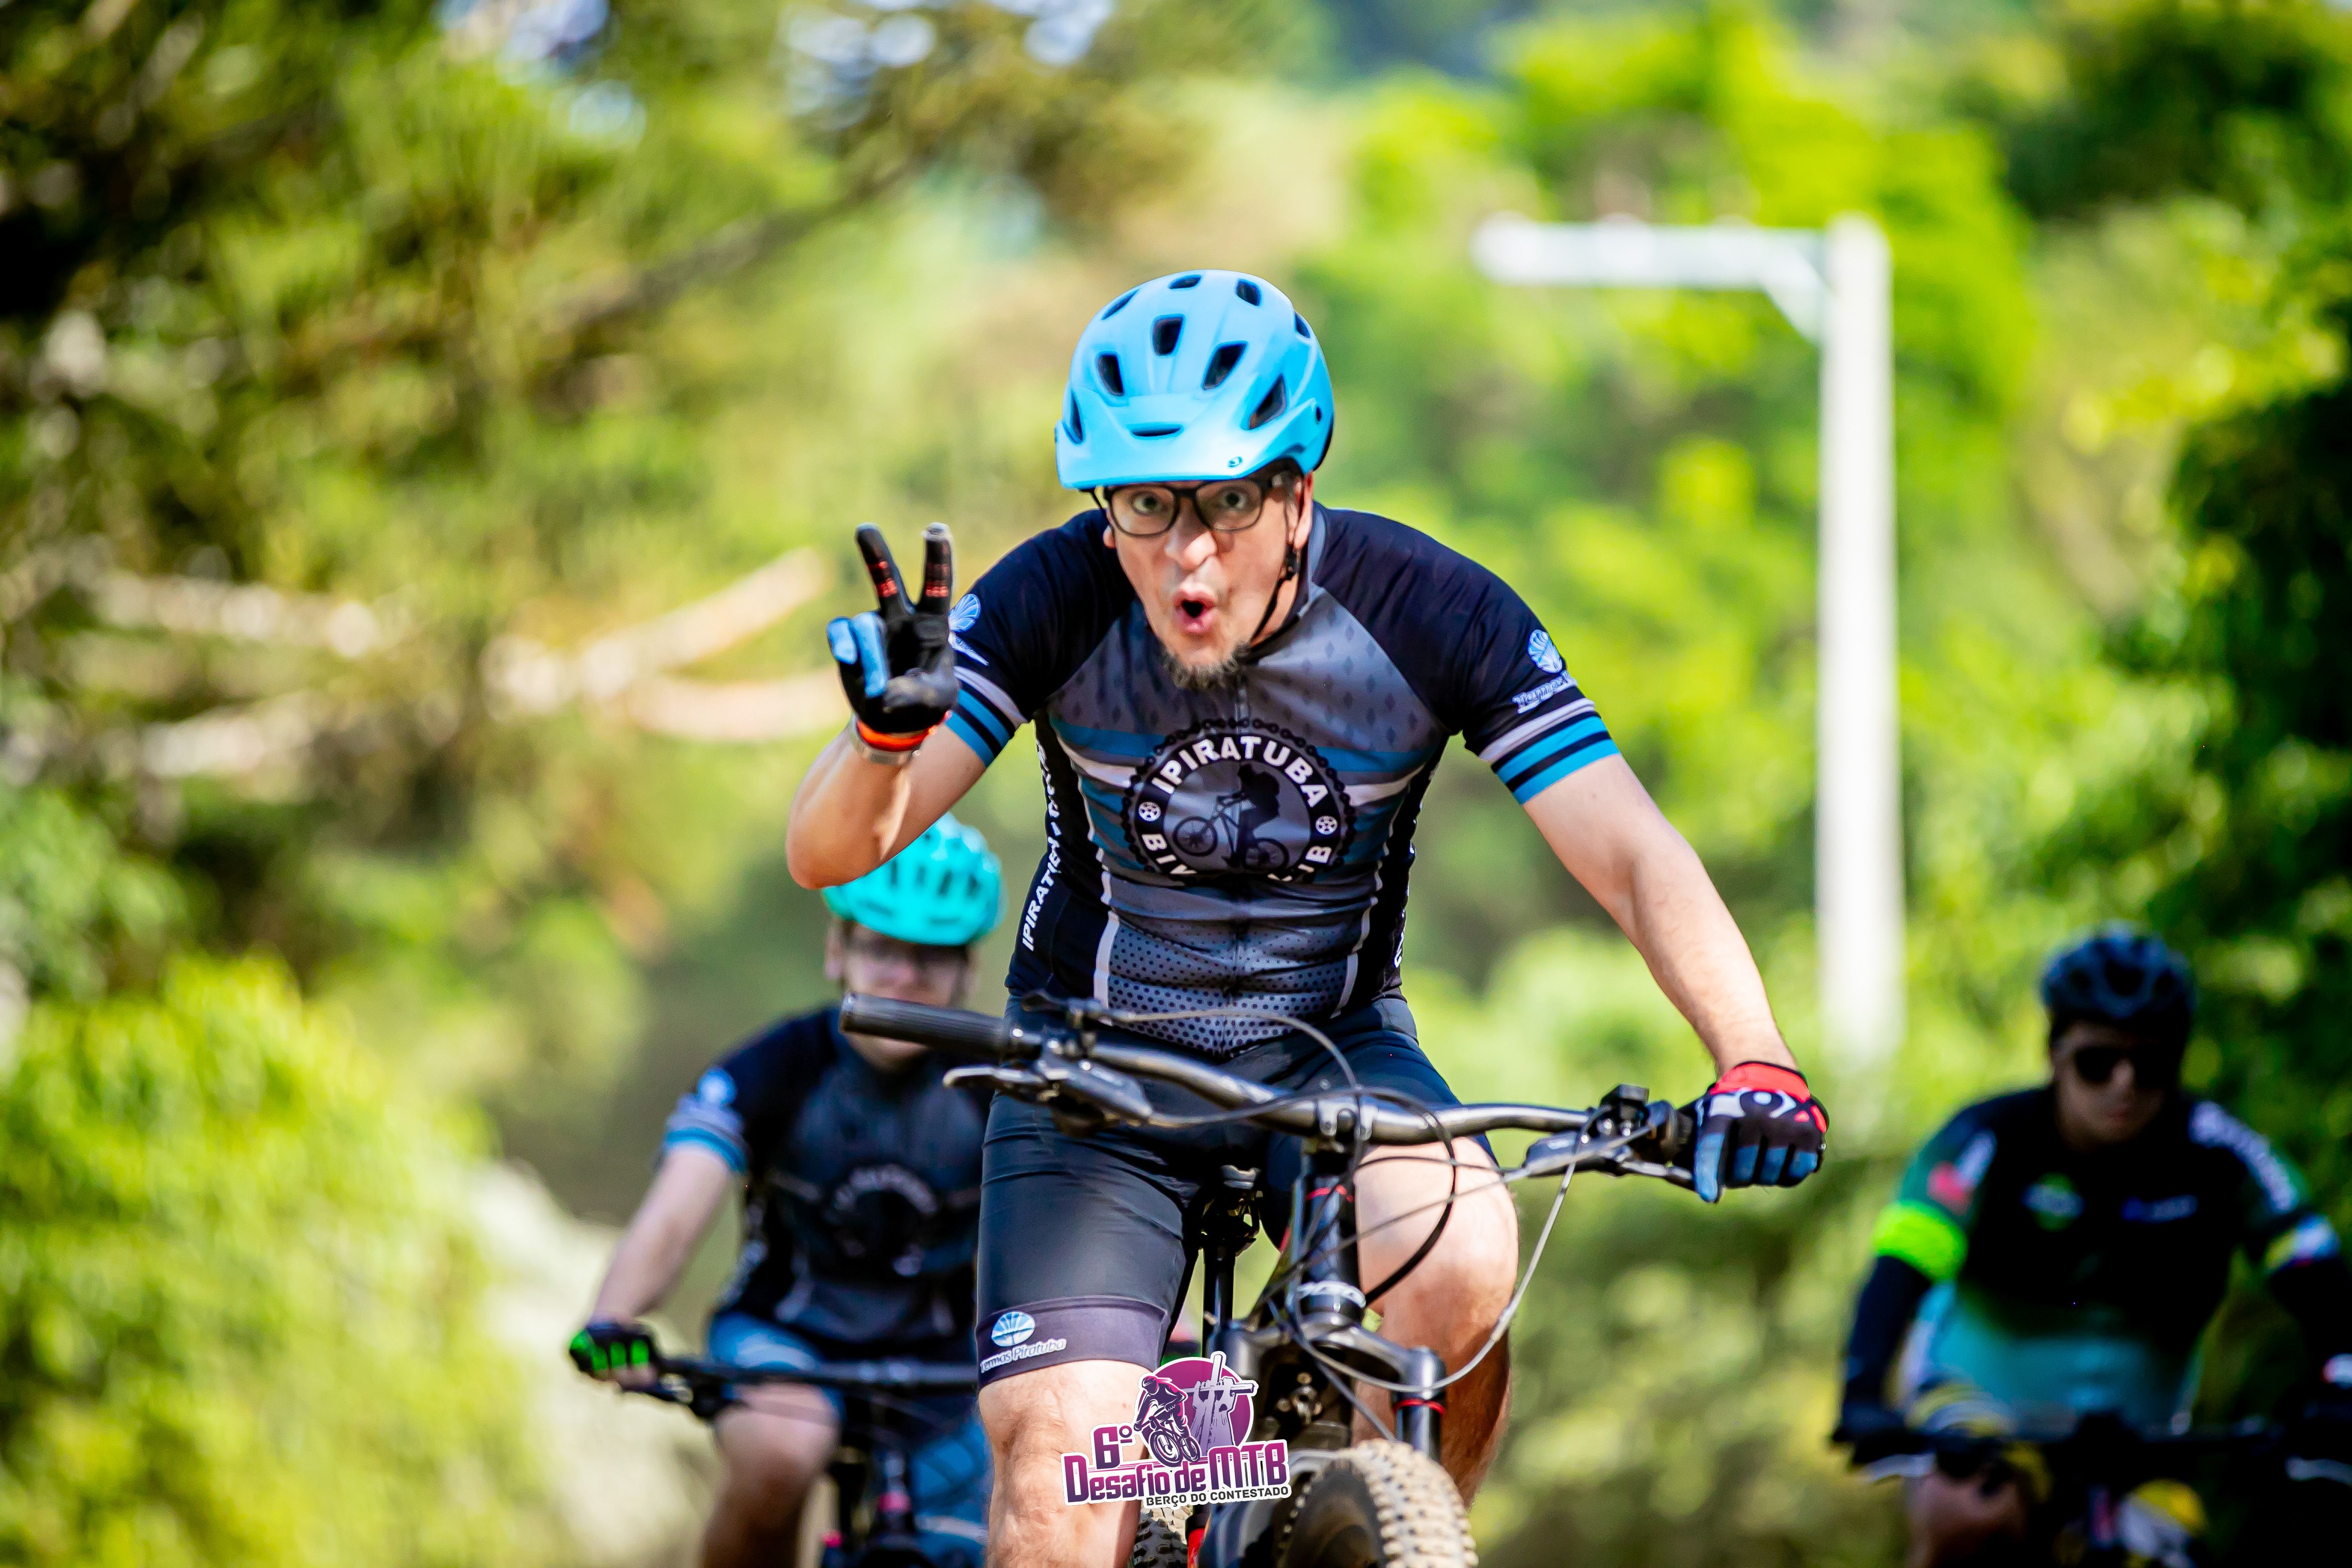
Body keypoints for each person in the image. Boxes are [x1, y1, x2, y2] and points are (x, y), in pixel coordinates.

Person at [785, 269, 1828, 1566]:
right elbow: (832, 852)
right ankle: (1174, 1476)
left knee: (1463, 1259)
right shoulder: (1054, 594)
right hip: (1091, 1071)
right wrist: (883, 741)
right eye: (1145, 504)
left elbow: (1628, 852)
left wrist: (1754, 1056)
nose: (1188, 552)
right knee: (1063, 1483)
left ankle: (1373, 1526)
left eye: (1228, 500)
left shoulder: (1428, 609)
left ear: (1299, 488)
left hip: (1333, 1051)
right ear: (1104, 507)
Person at [1835, 928, 2352, 1566]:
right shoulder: (1985, 1139)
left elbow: (2311, 1264)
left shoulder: (2226, 1155)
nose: (2124, 1085)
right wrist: (1863, 1388)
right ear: (2054, 1055)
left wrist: (2342, 1381)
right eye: (2097, 1062)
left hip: (2143, 1442)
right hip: (1979, 1408)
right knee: (1973, 1518)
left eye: (2151, 1065)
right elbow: (1904, 1262)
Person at [571, 818, 1004, 1568]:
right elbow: (675, 1215)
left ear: (968, 970)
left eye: (933, 957)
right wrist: (613, 1317)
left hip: (949, 1368)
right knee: (780, 1455)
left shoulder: (1003, 1080)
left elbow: (1088, 1218)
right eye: (882, 948)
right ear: (839, 950)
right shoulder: (778, 1066)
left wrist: (1158, 1335)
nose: (905, 976)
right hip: (787, 1344)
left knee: (1017, 1522)